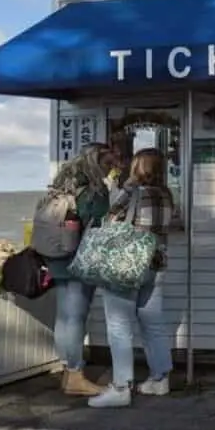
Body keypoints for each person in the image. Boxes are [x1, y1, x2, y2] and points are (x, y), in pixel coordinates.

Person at [88, 148, 177, 408]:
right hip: (155, 264)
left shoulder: (134, 193)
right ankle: (160, 379)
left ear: (138, 167)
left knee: (119, 327)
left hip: (127, 266)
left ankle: (121, 387)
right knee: (154, 325)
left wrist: (124, 187)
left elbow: (108, 220)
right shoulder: (166, 195)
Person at [42, 143, 115, 396]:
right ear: (95, 162)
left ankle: (67, 371)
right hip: (79, 258)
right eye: (107, 162)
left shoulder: (62, 183)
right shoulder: (94, 188)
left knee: (64, 318)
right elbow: (98, 222)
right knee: (75, 318)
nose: (111, 167)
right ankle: (75, 375)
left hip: (57, 256)